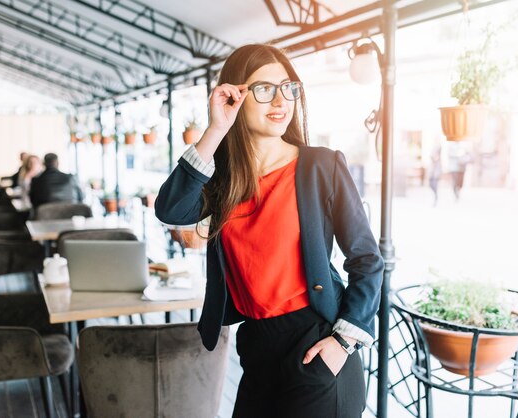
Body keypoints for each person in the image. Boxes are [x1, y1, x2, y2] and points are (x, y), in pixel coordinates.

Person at [155, 44, 384, 418]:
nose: (280, 99)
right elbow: (171, 208)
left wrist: (342, 342)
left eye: (288, 87)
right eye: (263, 89)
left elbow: (367, 260)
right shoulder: (223, 182)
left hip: (316, 342)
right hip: (257, 346)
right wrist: (215, 129)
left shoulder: (321, 167)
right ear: (235, 96)